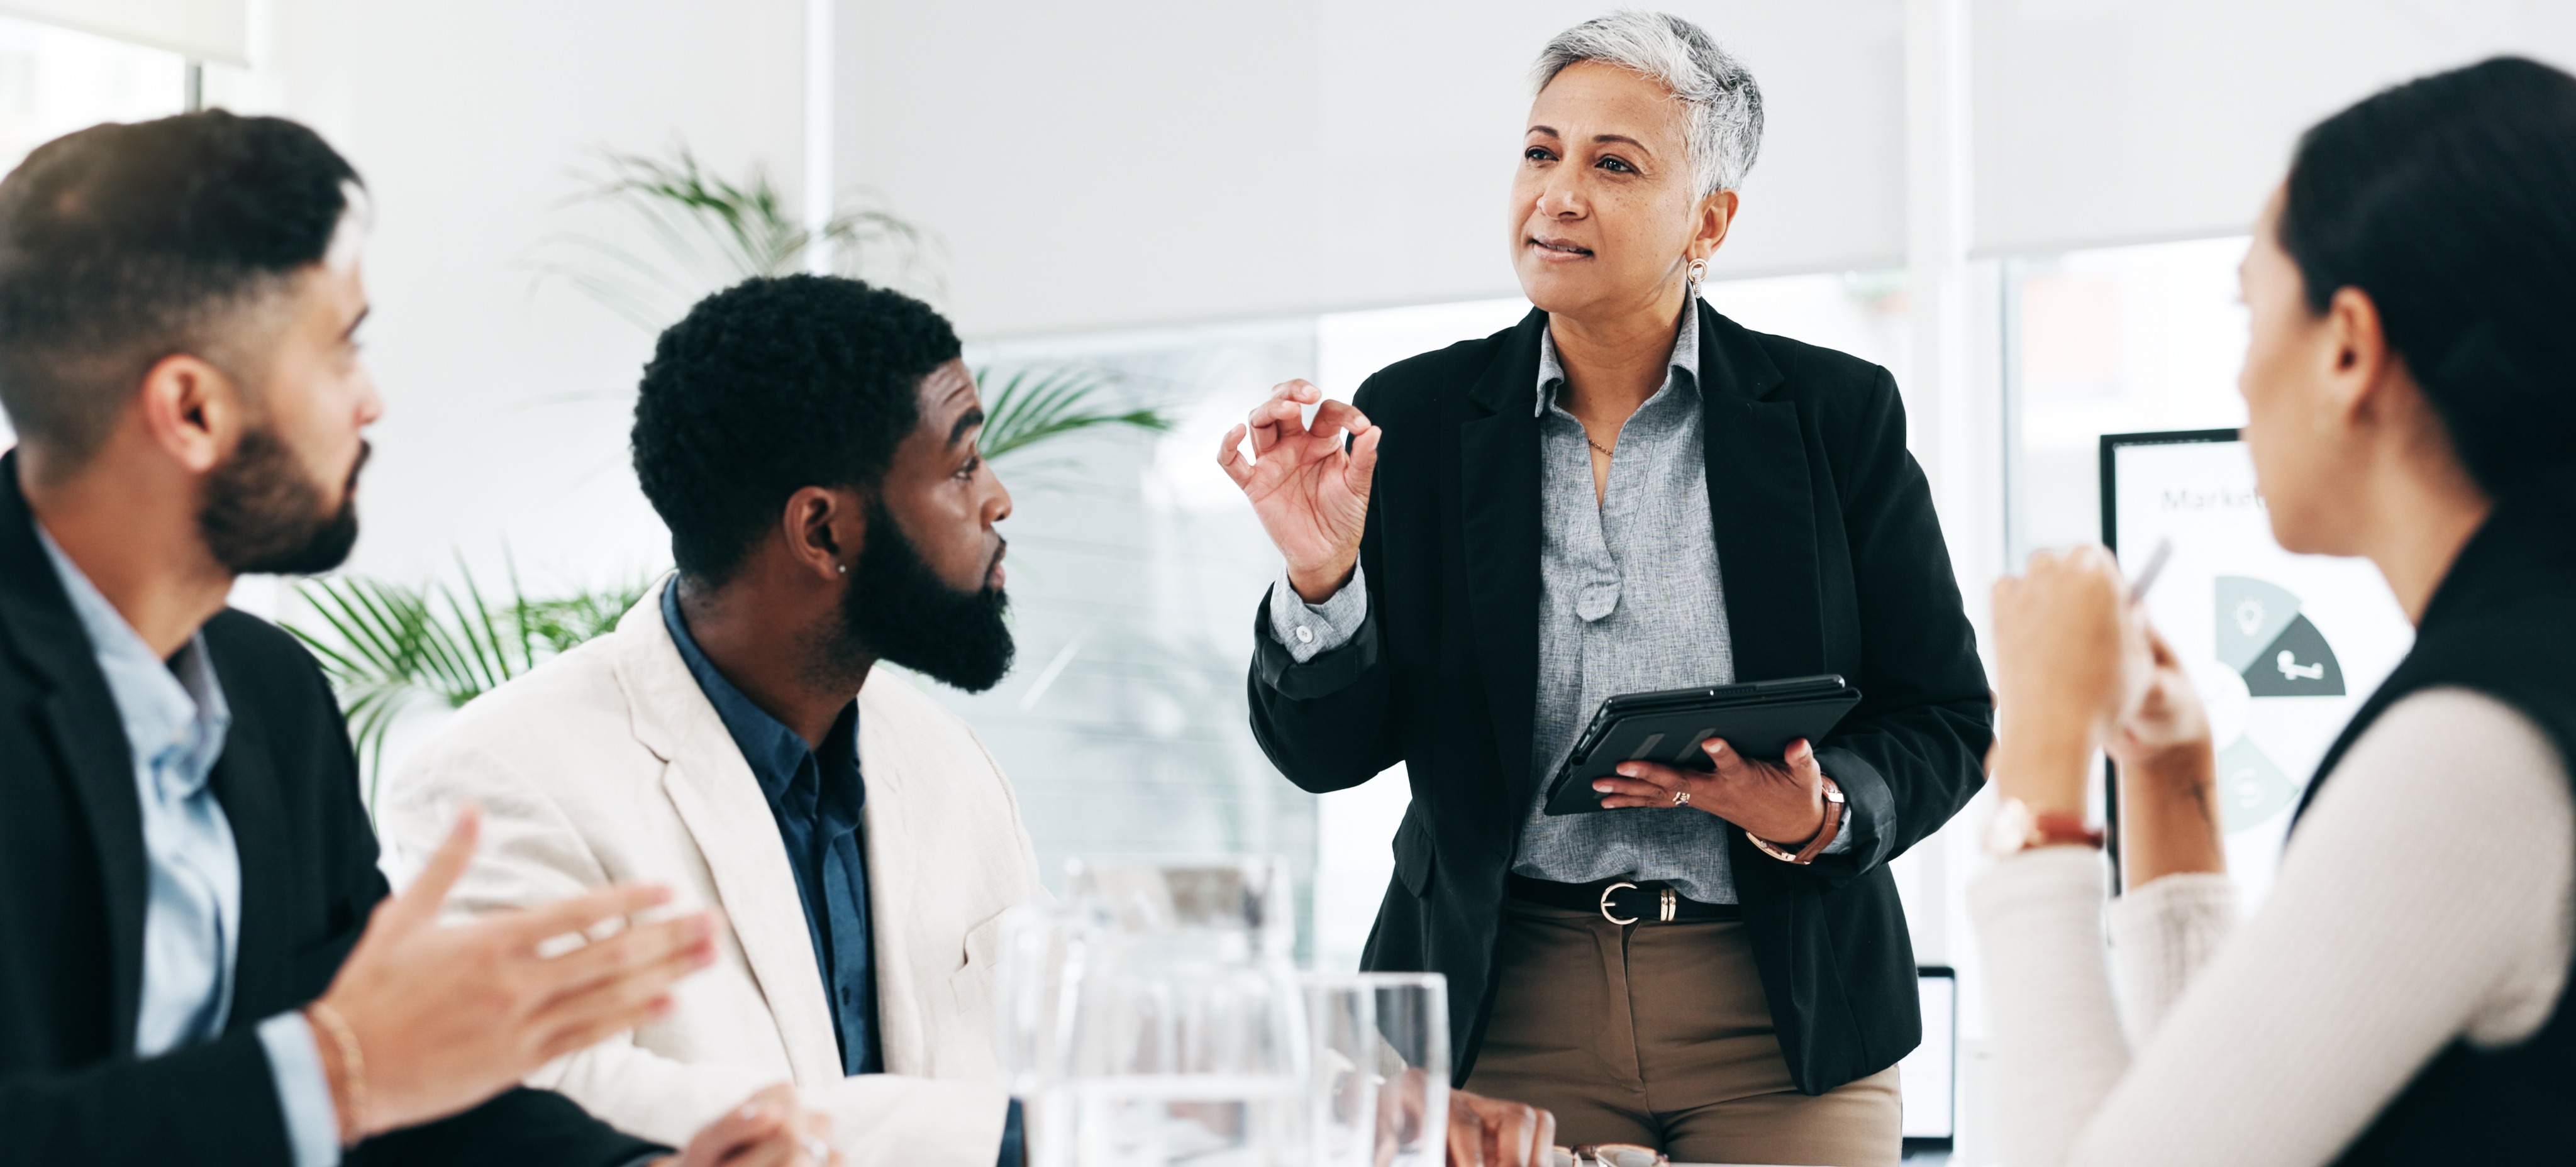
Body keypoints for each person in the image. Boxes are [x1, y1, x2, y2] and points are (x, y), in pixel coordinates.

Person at [1220, 11, 1990, 1166]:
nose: (1558, 194)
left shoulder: (1836, 416)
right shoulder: (1420, 420)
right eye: (1542, 152)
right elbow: (1327, 757)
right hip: (1498, 1002)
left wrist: (1820, 813)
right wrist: (1321, 574)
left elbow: (1946, 716)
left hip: (1779, 1009)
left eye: (1613, 164)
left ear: (1709, 220)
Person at [0, 112, 836, 1165]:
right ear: (193, 410)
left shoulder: (271, 697)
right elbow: (348, 1076)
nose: (371, 400)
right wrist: (329, 1071)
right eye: (341, 346)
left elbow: (404, 1092)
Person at [1975, 57, 2576, 1167]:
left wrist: (2040, 782)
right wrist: (2165, 772)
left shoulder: (2474, 752)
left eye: (2252, 314)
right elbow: (2248, 1111)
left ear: (2348, 348)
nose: (2242, 380)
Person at [379, 275, 1040, 1163]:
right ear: (823, 531)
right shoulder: (502, 778)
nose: (997, 499)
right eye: (961, 466)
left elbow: (1046, 1049)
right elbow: (541, 1101)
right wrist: (999, 1136)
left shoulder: (946, 759)